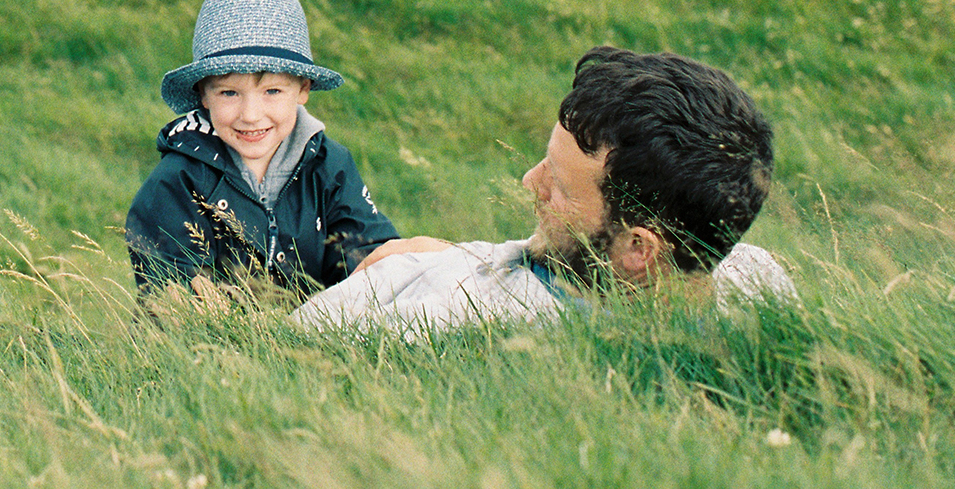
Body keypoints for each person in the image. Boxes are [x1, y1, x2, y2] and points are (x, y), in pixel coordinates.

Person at [291, 45, 792, 336]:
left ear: (638, 248)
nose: (531, 182)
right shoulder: (758, 285)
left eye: (561, 187)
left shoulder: (456, 320)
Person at [126, 0, 399, 298]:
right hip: (219, 341)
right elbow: (168, 291)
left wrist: (392, 256)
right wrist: (196, 302)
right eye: (229, 92)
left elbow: (362, 254)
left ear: (303, 89)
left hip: (313, 339)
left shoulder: (329, 164)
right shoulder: (178, 180)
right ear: (202, 93)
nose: (251, 115)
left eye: (272, 91)